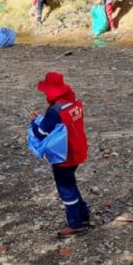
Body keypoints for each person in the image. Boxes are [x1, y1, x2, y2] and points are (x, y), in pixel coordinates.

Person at [30, 72, 91, 237]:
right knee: (70, 181)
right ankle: (83, 212)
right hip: (79, 149)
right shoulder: (75, 103)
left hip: (64, 155)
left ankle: (75, 224)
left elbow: (41, 133)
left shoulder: (54, 111)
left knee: (65, 187)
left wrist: (33, 122)